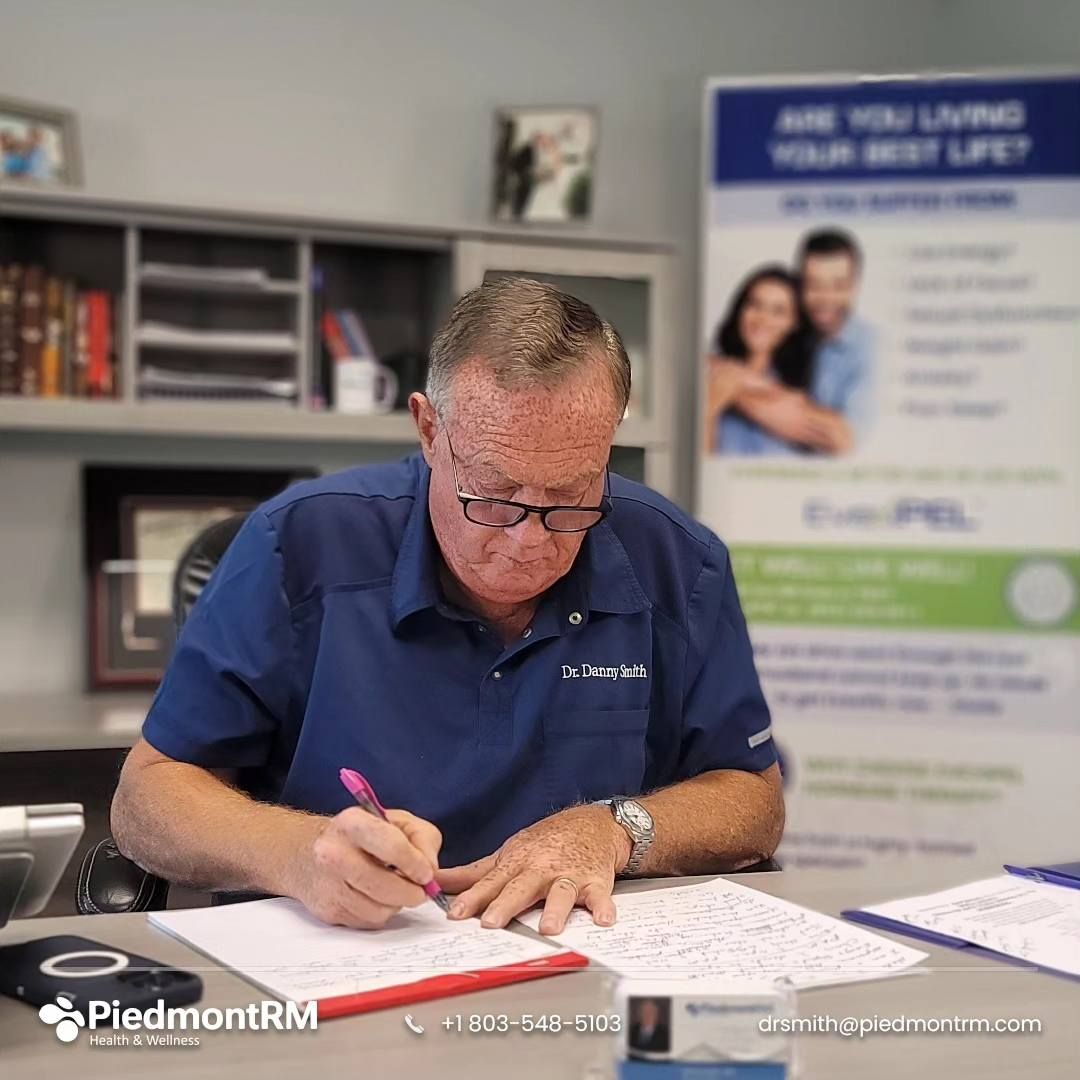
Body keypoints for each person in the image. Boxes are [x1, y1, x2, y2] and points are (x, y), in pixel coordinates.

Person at [112, 277, 783, 936]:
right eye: (493, 494)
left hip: (578, 961)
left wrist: (614, 827)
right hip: (349, 961)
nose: (530, 540)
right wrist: (296, 853)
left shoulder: (677, 561)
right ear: (429, 430)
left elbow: (753, 802)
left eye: (572, 496)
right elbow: (147, 798)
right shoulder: (298, 546)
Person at [704, 265, 815, 455]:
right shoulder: (711, 372)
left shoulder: (803, 386)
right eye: (755, 304)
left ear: (794, 323)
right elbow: (703, 461)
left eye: (778, 311)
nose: (762, 318)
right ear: (741, 309)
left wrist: (737, 385)